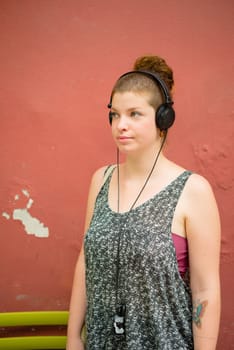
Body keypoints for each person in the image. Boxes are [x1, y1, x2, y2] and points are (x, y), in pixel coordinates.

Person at [66, 55, 221, 350]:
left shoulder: (193, 190)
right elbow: (85, 261)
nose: (120, 125)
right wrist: (74, 336)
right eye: (114, 114)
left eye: (134, 114)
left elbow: (205, 291)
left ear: (163, 118)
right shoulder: (101, 179)